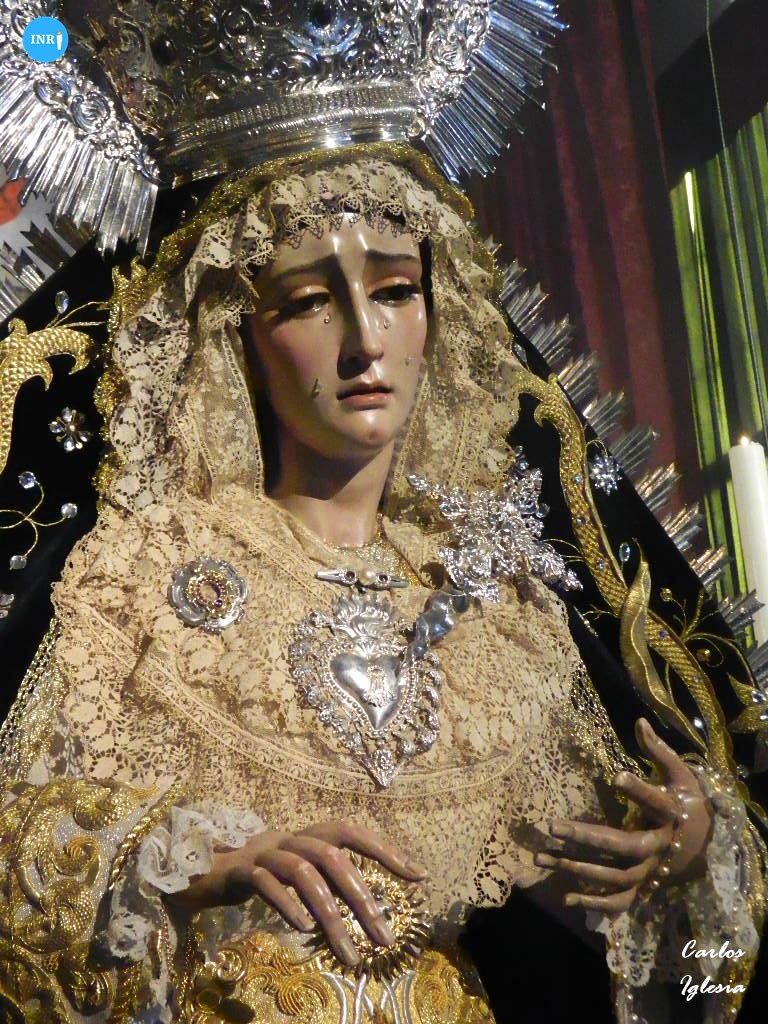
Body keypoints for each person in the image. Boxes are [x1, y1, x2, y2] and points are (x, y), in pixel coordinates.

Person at [0, 145, 764, 1024]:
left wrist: (689, 855)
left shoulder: (499, 612)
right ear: (238, 339)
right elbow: (19, 858)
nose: (366, 341)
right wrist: (187, 864)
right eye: (308, 302)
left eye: (397, 290)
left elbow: (646, 940)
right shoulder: (148, 570)